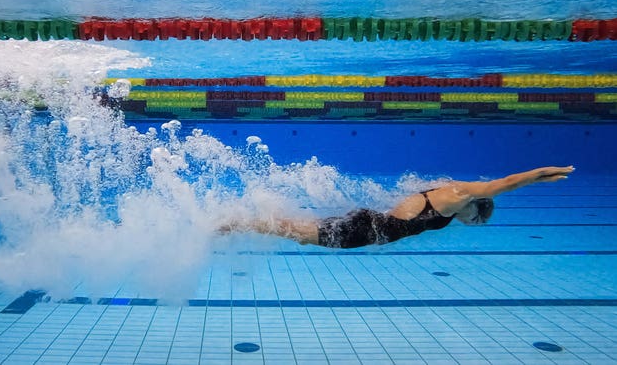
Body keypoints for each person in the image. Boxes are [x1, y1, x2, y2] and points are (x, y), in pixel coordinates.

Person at [219, 166, 574, 248]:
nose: (467, 222)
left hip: (369, 226)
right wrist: (540, 174)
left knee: (296, 231)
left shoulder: (449, 203)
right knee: (294, 232)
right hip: (365, 229)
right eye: (474, 220)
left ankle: (243, 221)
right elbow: (504, 184)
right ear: (476, 206)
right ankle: (237, 221)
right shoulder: (459, 195)